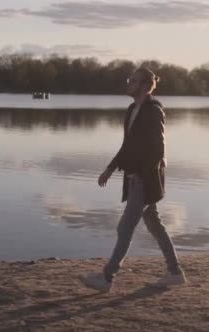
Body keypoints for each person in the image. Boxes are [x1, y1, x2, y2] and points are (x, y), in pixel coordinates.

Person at [79, 67, 186, 292]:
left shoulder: (154, 110)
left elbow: (159, 148)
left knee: (124, 228)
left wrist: (142, 173)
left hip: (144, 180)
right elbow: (127, 146)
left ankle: (107, 278)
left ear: (146, 87)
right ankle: (175, 272)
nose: (129, 83)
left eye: (134, 80)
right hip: (134, 177)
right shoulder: (132, 109)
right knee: (155, 225)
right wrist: (110, 168)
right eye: (129, 79)